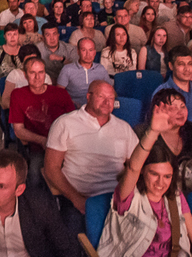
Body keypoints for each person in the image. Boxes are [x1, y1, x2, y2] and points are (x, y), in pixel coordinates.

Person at [96, 101, 192, 257]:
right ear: (143, 174)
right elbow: (133, 167)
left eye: (167, 176)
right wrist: (153, 132)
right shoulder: (129, 197)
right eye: (154, 174)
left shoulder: (175, 197)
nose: (160, 183)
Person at [44, 80, 138, 236]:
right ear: (88, 96)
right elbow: (51, 167)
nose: (107, 102)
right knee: (74, 246)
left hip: (117, 200)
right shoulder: (65, 123)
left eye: (111, 98)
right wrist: (77, 200)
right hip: (78, 198)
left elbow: (135, 166)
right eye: (101, 96)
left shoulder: (124, 128)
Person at [134, 89, 192, 191]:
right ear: (159, 110)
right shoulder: (142, 133)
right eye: (173, 108)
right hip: (160, 191)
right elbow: (134, 170)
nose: (180, 112)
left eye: (182, 106)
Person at [8, 57, 75, 183]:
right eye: (32, 73)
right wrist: (42, 140)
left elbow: (73, 122)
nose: (37, 77)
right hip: (39, 146)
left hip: (64, 144)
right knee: (35, 176)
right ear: (25, 75)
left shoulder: (60, 93)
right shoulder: (18, 95)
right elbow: (18, 130)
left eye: (41, 72)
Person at [56, 37, 110, 108]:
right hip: (74, 108)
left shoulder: (101, 69)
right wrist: (71, 103)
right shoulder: (67, 69)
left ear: (94, 52)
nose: (88, 54)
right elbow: (59, 93)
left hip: (97, 107)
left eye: (90, 50)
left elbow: (110, 90)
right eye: (84, 50)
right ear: (78, 51)